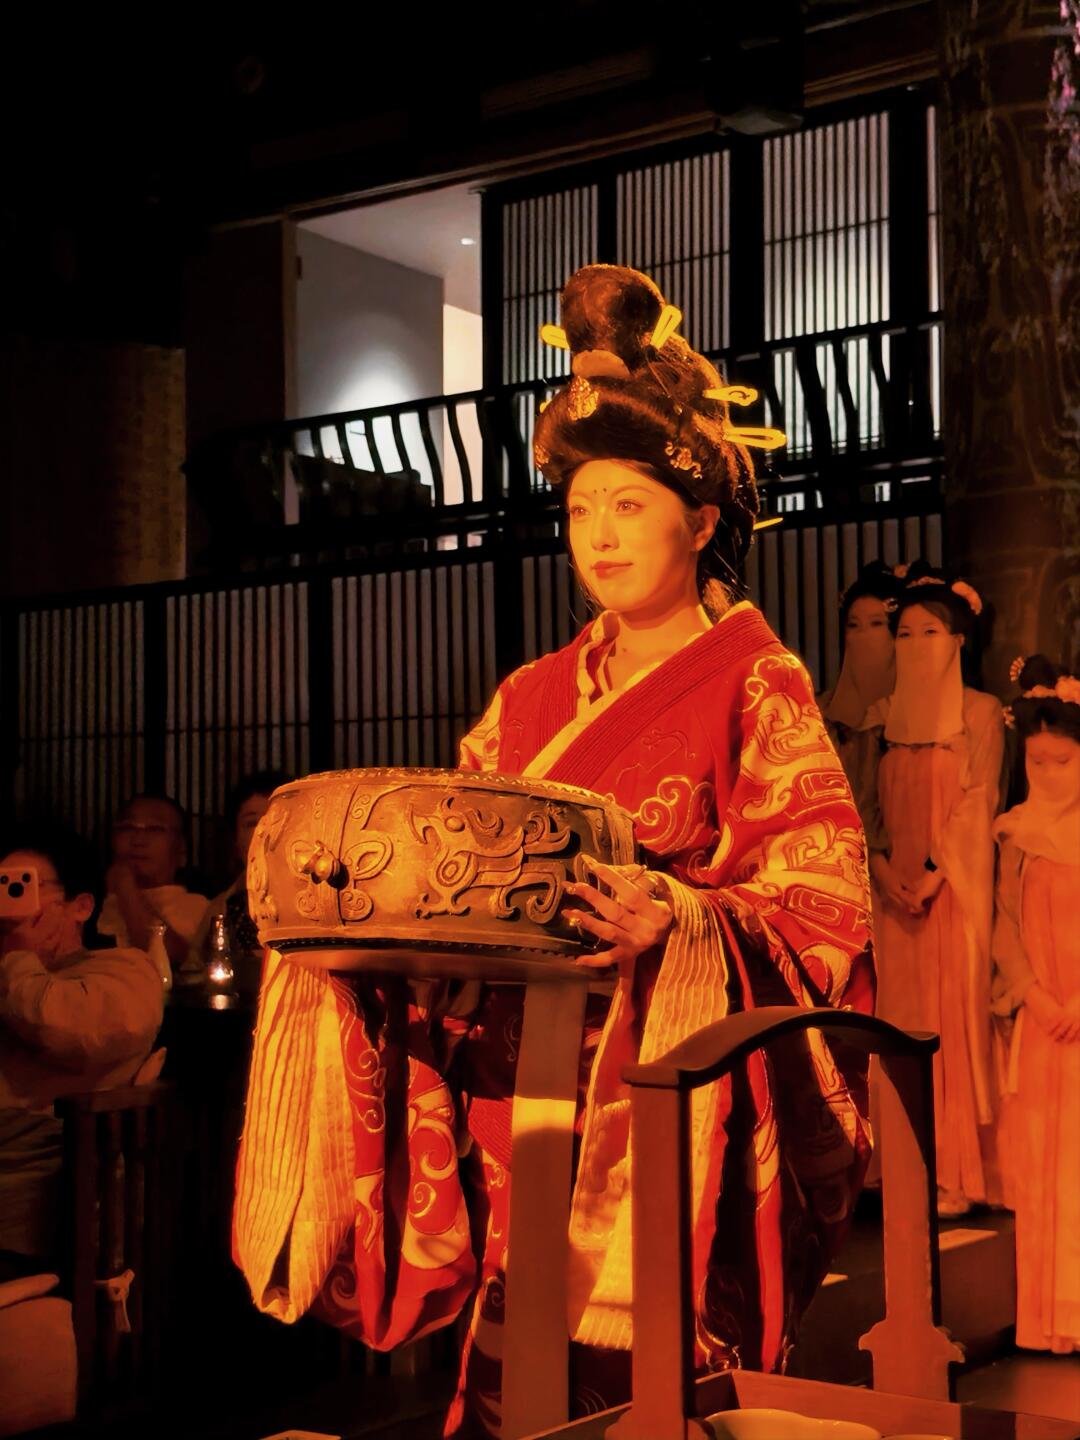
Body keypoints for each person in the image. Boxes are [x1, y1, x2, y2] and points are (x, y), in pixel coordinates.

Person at [234, 264, 875, 1437]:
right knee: (514, 1366)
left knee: (646, 1388)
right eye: (581, 511)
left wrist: (684, 923)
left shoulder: (757, 683)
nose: (601, 536)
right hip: (517, 1084)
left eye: (629, 504)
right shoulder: (530, 697)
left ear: (701, 521)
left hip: (663, 1090)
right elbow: (449, 868)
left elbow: (823, 905)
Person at [868, 561, 1004, 1216]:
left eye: (930, 633)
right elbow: (859, 805)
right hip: (890, 895)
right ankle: (896, 1165)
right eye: (905, 633)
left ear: (958, 641)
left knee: (950, 1020)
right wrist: (881, 869)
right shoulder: (881, 716)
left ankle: (954, 1171)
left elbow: (980, 803)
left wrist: (933, 873)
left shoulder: (980, 714)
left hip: (950, 891)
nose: (915, 644)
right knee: (896, 1018)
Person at [0, 825, 164, 1279]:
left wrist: (17, 955)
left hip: (29, 1198)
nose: (9, 905)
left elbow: (64, 1029)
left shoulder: (124, 970)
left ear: (82, 906)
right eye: (1, 887)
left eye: (24, 887)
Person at [992, 656, 1080, 1354]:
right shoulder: (1015, 832)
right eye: (1038, 762)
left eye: (1064, 763)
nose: (1048, 774)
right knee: (1043, 1166)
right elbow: (1005, 925)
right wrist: (1034, 994)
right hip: (1044, 1018)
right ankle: (1050, 1317)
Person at [820, 560, 903, 852]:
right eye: (854, 625)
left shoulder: (914, 711)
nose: (863, 635)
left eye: (876, 624)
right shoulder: (821, 713)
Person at [189, 771, 288, 990]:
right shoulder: (224, 905)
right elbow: (194, 968)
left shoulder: (316, 899)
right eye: (252, 823)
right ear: (235, 837)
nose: (264, 831)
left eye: (276, 819)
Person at [97, 794, 209, 969]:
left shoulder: (199, 907)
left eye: (155, 829)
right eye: (127, 828)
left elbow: (170, 961)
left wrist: (127, 889)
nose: (138, 840)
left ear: (181, 848)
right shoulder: (90, 904)